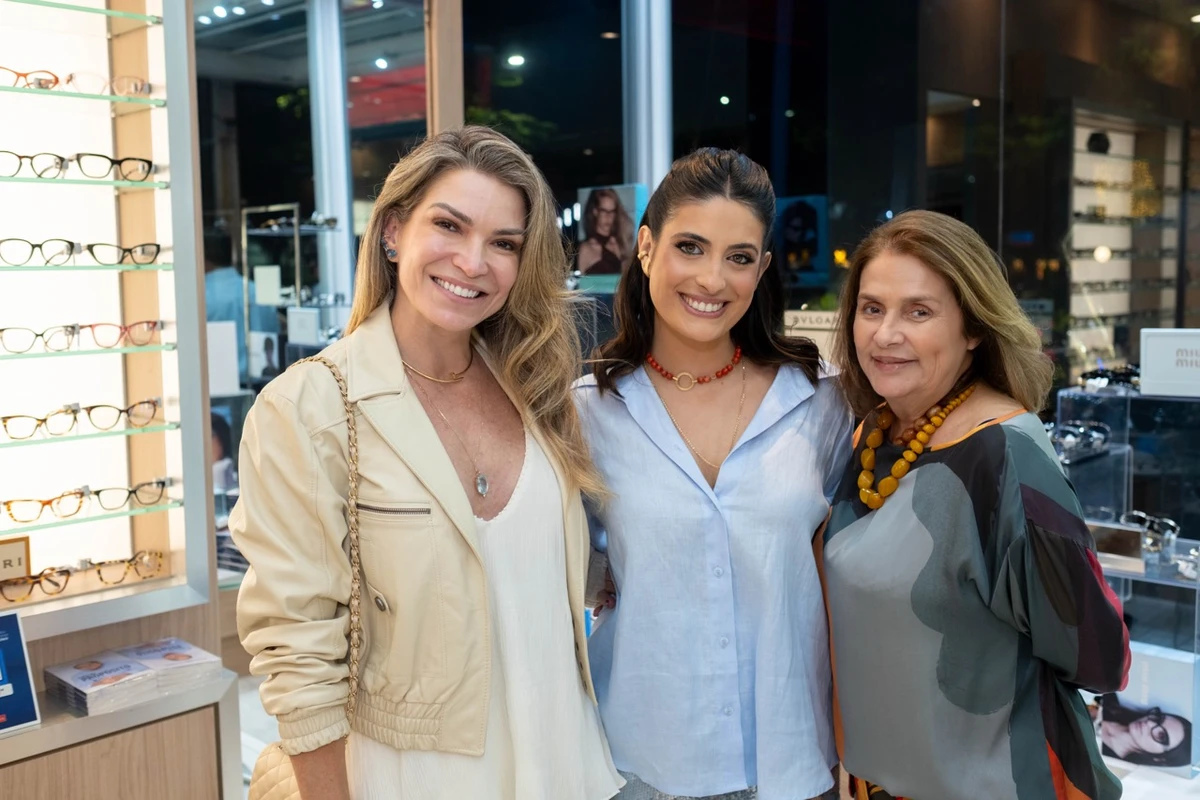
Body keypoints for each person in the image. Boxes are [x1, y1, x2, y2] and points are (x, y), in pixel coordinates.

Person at [232, 126, 623, 800]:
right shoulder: (311, 407)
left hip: (562, 758)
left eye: (504, 243)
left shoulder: (536, 390)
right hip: (412, 774)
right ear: (393, 232)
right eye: (450, 225)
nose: (474, 262)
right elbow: (298, 655)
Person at [821, 209, 1131, 800]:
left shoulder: (1004, 456)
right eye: (872, 308)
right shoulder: (870, 437)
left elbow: (1097, 654)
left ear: (973, 329)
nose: (886, 334)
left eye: (919, 311)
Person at [576, 149, 852, 800]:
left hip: (794, 764)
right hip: (638, 762)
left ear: (761, 270)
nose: (711, 278)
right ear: (645, 248)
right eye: (690, 247)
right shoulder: (585, 414)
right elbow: (558, 567)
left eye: (737, 257)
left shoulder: (823, 404)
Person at [203, 228, 279, 384]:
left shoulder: (201, 295)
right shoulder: (256, 290)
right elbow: (274, 331)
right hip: (261, 381)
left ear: (202, 257)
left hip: (218, 385)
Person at [1094, 694, 1193, 768]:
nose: (1149, 723)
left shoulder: (1109, 766)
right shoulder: (1109, 697)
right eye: (1158, 718)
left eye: (1161, 736)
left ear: (1159, 758)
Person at [578, 187, 634, 275]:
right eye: (604, 211)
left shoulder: (621, 245)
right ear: (595, 211)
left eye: (612, 211)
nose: (608, 217)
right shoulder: (585, 248)